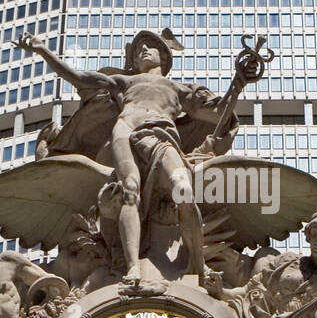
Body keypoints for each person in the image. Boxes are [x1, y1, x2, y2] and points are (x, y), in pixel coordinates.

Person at [17, 30, 226, 283]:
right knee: (130, 189)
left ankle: (197, 265)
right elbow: (80, 78)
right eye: (139, 48)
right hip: (125, 130)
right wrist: (43, 50)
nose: (143, 50)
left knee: (184, 190)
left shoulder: (180, 89)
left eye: (151, 46)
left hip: (161, 135)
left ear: (165, 57)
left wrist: (239, 82)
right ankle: (132, 268)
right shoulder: (125, 82)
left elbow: (219, 113)